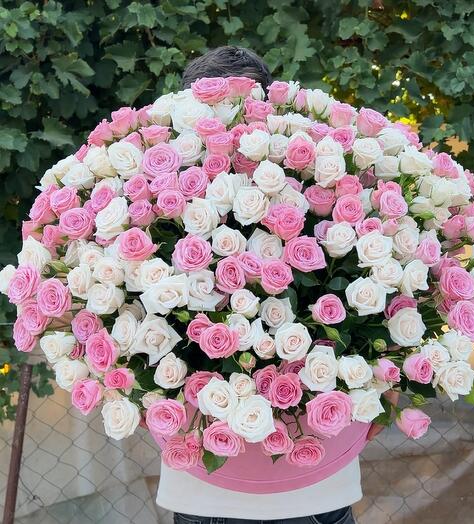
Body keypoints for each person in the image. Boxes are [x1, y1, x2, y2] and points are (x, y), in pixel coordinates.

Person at [156, 46, 392, 524]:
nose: (236, 119)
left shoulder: (324, 173)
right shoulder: (159, 185)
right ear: (188, 110)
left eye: (246, 103)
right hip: (209, 487)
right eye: (217, 105)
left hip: (311, 481)